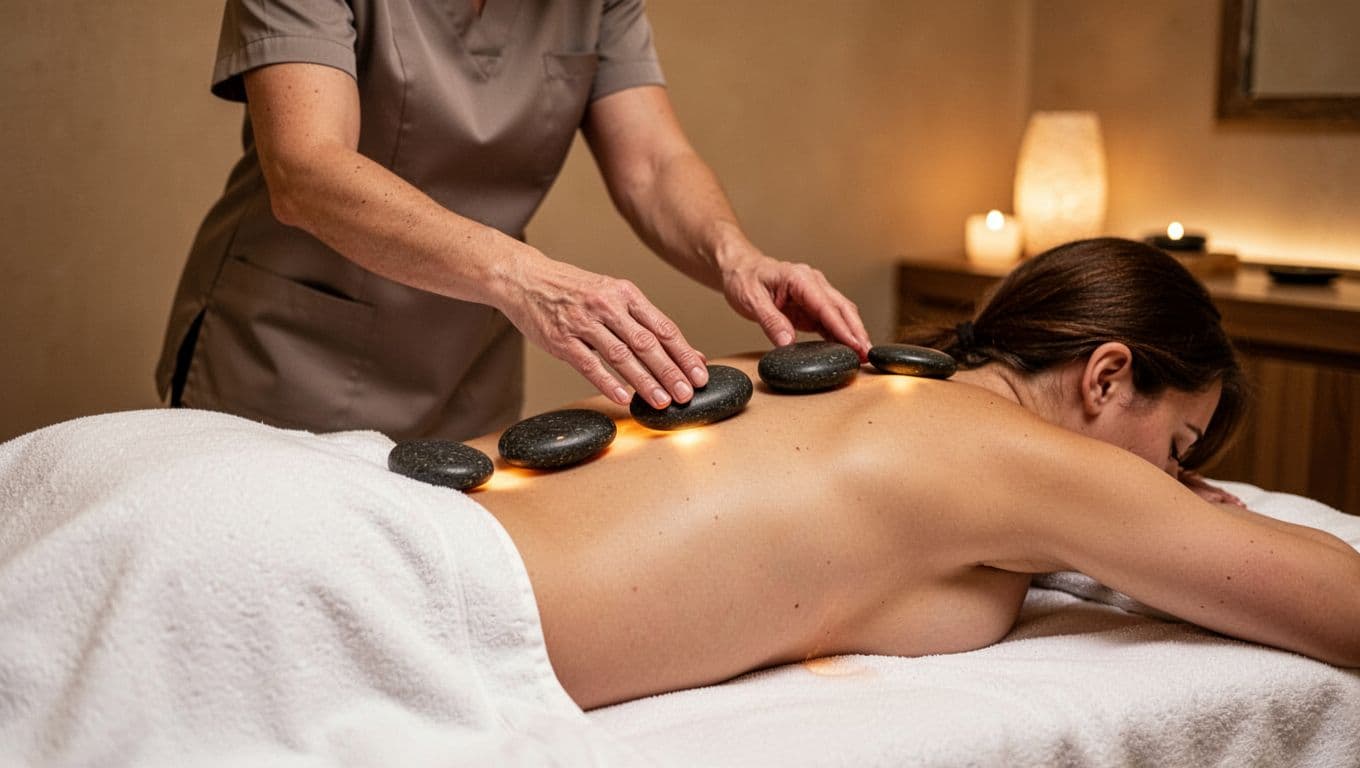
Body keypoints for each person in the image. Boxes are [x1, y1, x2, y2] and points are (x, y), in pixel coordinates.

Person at [462, 238, 1360, 709]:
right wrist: (1175, 513)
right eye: (1176, 449)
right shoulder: (1024, 458)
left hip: (393, 517)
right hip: (427, 599)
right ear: (1107, 376)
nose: (1170, 483)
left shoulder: (845, 376)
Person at [156, 0, 870, 441]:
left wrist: (736, 256)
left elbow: (653, 162)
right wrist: (526, 278)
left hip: (464, 362)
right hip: (290, 352)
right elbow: (305, 169)